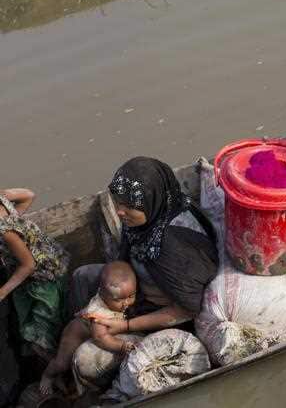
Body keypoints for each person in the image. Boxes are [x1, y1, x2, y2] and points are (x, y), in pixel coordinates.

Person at [69, 157, 218, 388]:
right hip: (136, 293)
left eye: (129, 206)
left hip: (167, 319)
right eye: (118, 202)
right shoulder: (154, 215)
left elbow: (187, 309)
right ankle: (84, 333)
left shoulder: (172, 247)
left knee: (85, 360)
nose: (119, 212)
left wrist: (126, 326)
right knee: (82, 275)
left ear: (151, 199)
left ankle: (109, 381)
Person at [40, 261, 137, 395]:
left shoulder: (112, 296)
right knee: (62, 363)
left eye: (131, 296)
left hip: (95, 331)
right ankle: (48, 375)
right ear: (102, 294)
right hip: (75, 335)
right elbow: (100, 338)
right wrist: (121, 346)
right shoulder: (97, 314)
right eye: (119, 300)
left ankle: (63, 377)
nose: (126, 303)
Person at [0, 188, 70, 359]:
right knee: (24, 315)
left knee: (43, 331)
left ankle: (52, 366)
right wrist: (16, 218)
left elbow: (29, 265)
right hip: (41, 260)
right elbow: (29, 195)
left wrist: (2, 292)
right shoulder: (3, 198)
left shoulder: (5, 231)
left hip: (44, 274)